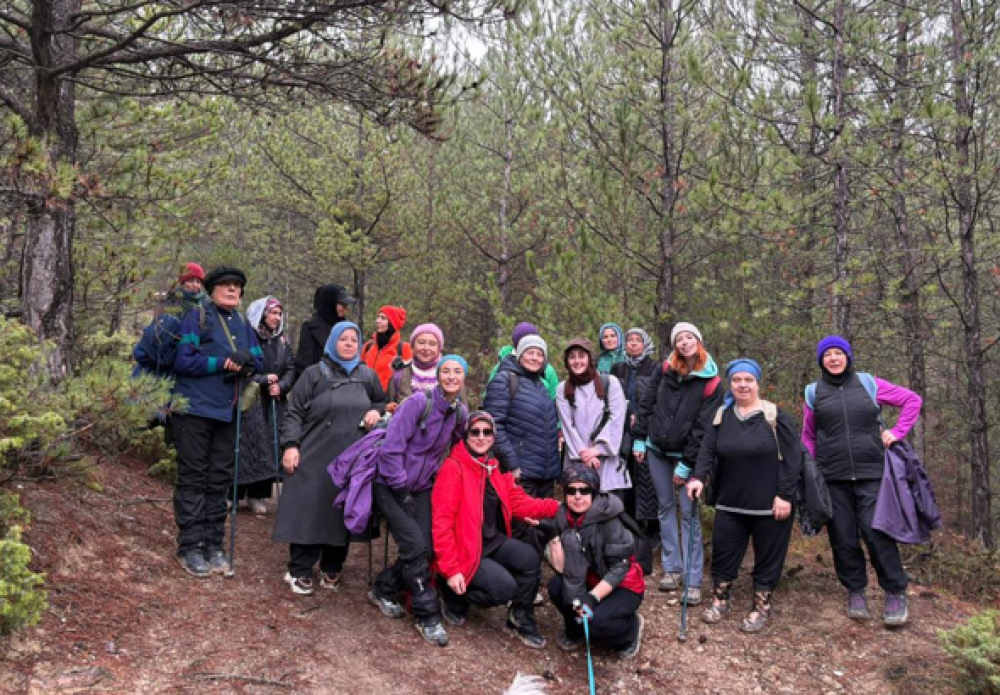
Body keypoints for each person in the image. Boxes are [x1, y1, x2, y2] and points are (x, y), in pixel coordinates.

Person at [802, 335, 923, 627]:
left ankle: (895, 591)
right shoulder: (813, 392)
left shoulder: (869, 384)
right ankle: (855, 590)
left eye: (838, 353)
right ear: (821, 360)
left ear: (847, 357)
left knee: (876, 534)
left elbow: (911, 400)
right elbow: (808, 434)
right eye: (827, 354)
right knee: (842, 537)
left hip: (872, 474)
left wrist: (896, 433)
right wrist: (811, 468)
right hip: (832, 477)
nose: (833, 358)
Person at [686, 358, 801, 633]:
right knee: (725, 553)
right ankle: (720, 599)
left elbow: (793, 458)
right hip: (730, 501)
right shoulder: (722, 415)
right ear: (731, 383)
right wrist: (698, 478)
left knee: (768, 557)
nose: (742, 385)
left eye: (748, 380)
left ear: (757, 383)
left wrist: (785, 495)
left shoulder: (775, 416)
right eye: (737, 380)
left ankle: (761, 606)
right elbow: (707, 451)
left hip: (771, 505)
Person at [273, 321, 385, 595]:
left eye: (353, 339)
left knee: (341, 508)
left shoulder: (368, 376)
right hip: (313, 453)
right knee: (310, 508)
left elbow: (381, 402)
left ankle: (332, 566)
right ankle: (299, 568)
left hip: (351, 457)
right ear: (333, 341)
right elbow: (293, 412)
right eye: (343, 339)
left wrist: (376, 413)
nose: (349, 344)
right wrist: (290, 445)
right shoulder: (313, 374)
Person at [432, 411, 559, 649]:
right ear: (466, 435)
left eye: (486, 432)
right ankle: (452, 596)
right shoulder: (453, 468)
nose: (481, 437)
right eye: (475, 432)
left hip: (490, 542)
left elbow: (518, 501)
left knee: (530, 557)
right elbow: (442, 523)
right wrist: (450, 570)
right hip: (465, 550)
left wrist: (558, 508)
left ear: (493, 436)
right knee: (505, 587)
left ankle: (519, 617)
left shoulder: (491, 465)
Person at [368, 356, 469, 648]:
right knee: (413, 545)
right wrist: (400, 489)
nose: (451, 376)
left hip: (423, 486)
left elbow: (461, 446)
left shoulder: (458, 413)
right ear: (438, 376)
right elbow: (391, 448)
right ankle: (428, 616)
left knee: (426, 547)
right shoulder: (417, 403)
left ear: (463, 378)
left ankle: (384, 588)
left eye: (457, 372)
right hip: (389, 483)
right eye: (446, 371)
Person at [170, 266, 264, 578]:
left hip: (227, 413)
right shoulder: (197, 317)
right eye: (226, 286)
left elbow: (258, 359)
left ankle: (213, 544)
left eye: (237, 286)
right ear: (212, 290)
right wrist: (220, 363)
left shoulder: (243, 323)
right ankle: (190, 546)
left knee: (218, 480)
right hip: (194, 411)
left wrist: (248, 364)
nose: (233, 290)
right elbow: (183, 359)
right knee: (193, 478)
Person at [632, 321, 722, 603]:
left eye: (689, 337)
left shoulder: (711, 381)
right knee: (665, 506)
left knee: (689, 512)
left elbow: (703, 428)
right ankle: (672, 568)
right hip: (657, 449)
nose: (684, 342)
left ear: (698, 340)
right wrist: (639, 438)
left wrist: (687, 464)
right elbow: (646, 405)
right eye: (679, 339)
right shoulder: (665, 369)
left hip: (688, 457)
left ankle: (693, 579)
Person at [548, 464, 645, 659]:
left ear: (593, 492)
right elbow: (561, 567)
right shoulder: (562, 515)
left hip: (622, 584)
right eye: (571, 490)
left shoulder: (609, 519)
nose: (577, 496)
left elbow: (620, 567)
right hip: (587, 578)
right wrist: (552, 538)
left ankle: (629, 630)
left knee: (597, 623)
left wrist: (592, 598)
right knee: (557, 586)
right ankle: (575, 630)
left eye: (584, 490)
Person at [483, 335, 561, 558]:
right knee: (520, 528)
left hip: (543, 471)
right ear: (519, 354)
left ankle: (531, 580)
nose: (535, 358)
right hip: (521, 471)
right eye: (530, 352)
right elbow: (493, 425)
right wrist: (512, 463)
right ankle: (520, 584)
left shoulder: (539, 384)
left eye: (540, 354)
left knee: (538, 527)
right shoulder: (505, 380)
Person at [230, 296, 296, 516]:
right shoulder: (248, 336)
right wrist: (261, 379)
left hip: (273, 401)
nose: (276, 318)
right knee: (246, 445)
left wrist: (283, 386)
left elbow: (290, 368)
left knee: (268, 444)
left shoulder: (282, 341)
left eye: (279, 314)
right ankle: (234, 494)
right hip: (251, 398)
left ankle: (257, 494)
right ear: (262, 313)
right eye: (273, 313)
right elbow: (244, 367)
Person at [556, 338, 629, 500]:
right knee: (579, 508)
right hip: (577, 461)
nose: (577, 361)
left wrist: (598, 449)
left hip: (608, 462)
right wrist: (585, 454)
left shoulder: (610, 383)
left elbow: (617, 418)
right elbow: (568, 425)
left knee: (609, 511)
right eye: (572, 357)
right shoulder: (562, 389)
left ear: (589, 358)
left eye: (581, 356)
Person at [611, 328, 659, 527]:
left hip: (647, 429)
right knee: (624, 473)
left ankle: (650, 527)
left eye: (637, 340)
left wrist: (639, 416)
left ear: (645, 343)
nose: (632, 343)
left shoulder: (655, 367)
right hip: (621, 429)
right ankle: (627, 522)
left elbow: (657, 399)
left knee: (647, 478)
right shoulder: (618, 368)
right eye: (629, 340)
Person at [132, 262, 206, 379]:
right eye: (191, 281)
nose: (195, 285)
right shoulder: (170, 303)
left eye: (198, 282)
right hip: (164, 362)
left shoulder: (204, 306)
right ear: (182, 283)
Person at [294, 283, 355, 377]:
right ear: (330, 303)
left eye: (346, 305)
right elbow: (304, 364)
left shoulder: (347, 327)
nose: (345, 308)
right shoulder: (310, 327)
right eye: (342, 304)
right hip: (319, 384)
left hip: (345, 383)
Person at [487, 322, 560, 399]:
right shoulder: (501, 369)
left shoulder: (548, 370)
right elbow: (490, 398)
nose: (534, 358)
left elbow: (554, 399)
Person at [387, 323, 453, 404]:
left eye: (432, 344)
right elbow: (390, 409)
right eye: (421, 343)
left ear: (439, 348)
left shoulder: (451, 376)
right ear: (412, 345)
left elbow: (461, 412)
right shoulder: (399, 375)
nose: (426, 348)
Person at [361, 305, 412, 391]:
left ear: (392, 323)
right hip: (365, 398)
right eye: (378, 317)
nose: (377, 321)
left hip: (388, 401)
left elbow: (408, 380)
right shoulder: (368, 346)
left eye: (383, 318)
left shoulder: (404, 348)